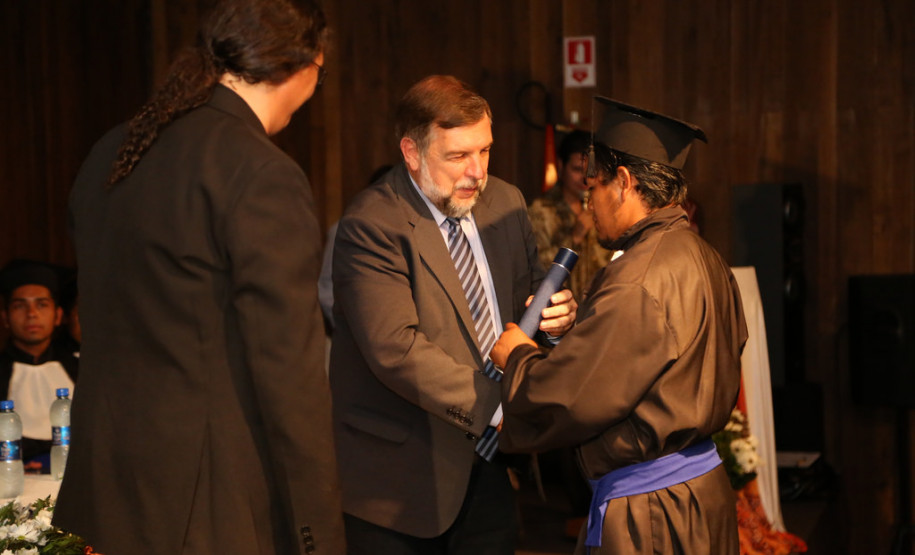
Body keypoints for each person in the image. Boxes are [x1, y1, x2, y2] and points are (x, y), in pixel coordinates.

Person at [52, 1, 345, 553]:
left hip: (109, 484)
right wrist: (319, 533)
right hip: (210, 504)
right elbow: (289, 375)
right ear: (299, 66)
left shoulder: (111, 149)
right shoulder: (259, 171)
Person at [329, 74, 577, 555]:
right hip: (399, 482)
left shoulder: (504, 202)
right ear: (411, 152)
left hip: (489, 472)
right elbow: (395, 350)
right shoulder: (372, 224)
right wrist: (501, 407)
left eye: (484, 151)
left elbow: (524, 306)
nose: (476, 173)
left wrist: (553, 324)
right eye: (458, 156)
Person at [491, 97, 748, 554]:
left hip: (654, 512)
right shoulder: (702, 254)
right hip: (700, 492)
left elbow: (573, 398)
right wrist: (571, 333)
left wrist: (519, 358)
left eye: (594, 187)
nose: (588, 205)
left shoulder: (639, 274)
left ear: (625, 183)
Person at [0, 259, 79, 466]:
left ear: (58, 315)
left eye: (41, 304)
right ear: (5, 318)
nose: (32, 314)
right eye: (20, 305)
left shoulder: (82, 369)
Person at [528, 130, 614, 302]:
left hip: (598, 308)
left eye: (590, 171)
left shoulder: (604, 208)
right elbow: (539, 270)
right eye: (577, 169)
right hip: (558, 311)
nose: (584, 179)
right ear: (561, 166)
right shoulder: (540, 211)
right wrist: (574, 237)